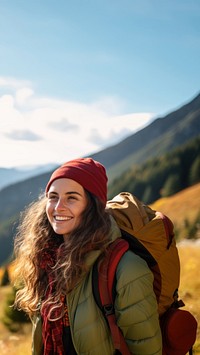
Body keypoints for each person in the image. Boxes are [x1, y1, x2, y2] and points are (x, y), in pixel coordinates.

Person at [13, 157, 162, 355]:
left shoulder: (126, 267)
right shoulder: (47, 260)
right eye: (53, 196)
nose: (58, 207)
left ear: (92, 206)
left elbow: (146, 347)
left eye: (71, 198)